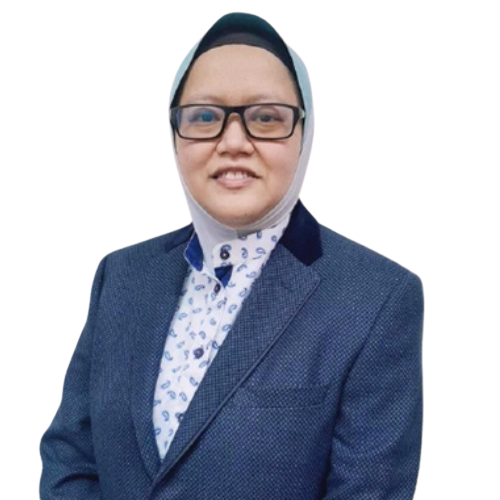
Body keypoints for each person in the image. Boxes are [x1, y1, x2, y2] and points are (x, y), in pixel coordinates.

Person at [39, 11, 424, 500]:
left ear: (304, 133)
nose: (234, 142)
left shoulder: (377, 298)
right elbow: (70, 458)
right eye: (204, 117)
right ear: (174, 136)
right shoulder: (121, 275)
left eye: (266, 117)